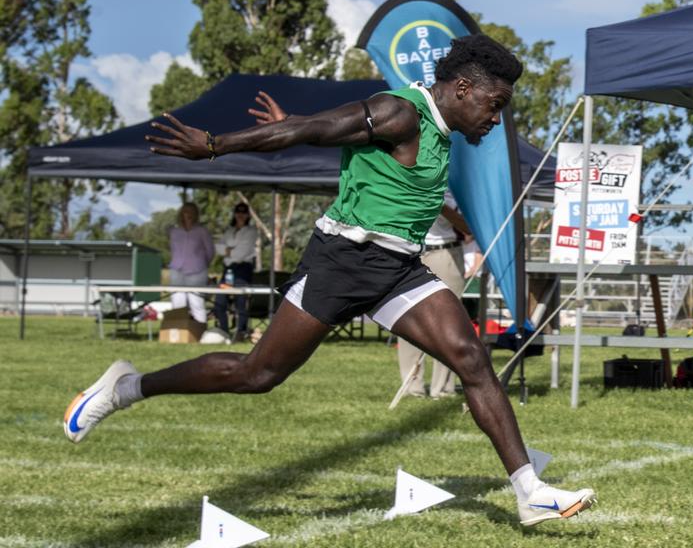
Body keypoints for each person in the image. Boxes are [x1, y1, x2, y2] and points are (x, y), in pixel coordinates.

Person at [63, 35, 596, 527]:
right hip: (342, 262)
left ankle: (530, 492)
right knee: (257, 375)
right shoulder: (401, 111)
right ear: (462, 88)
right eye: (493, 104)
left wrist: (298, 120)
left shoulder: (436, 127)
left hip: (397, 270)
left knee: (471, 358)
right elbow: (312, 131)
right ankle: (126, 387)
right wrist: (217, 144)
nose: (495, 118)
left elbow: (323, 126)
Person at [398, 189, 471, 399]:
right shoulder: (408, 178)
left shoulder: (458, 186)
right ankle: (411, 386)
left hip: (446, 252)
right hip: (411, 251)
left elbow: (468, 228)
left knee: (449, 322)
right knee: (408, 319)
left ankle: (444, 387)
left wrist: (438, 204)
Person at [212, 201, 259, 342]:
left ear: (248, 215)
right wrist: (229, 251)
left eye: (244, 212)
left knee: (241, 302)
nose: (240, 215)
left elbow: (241, 254)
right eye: (238, 212)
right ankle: (225, 331)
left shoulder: (251, 231)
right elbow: (217, 247)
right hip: (228, 270)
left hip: (243, 269)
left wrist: (227, 250)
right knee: (219, 302)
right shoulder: (229, 231)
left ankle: (241, 332)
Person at [168, 202, 214, 325]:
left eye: (190, 211)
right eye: (185, 211)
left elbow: (210, 251)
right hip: (177, 270)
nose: (187, 214)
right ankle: (178, 328)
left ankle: (199, 330)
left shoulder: (202, 231)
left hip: (197, 271)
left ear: (195, 214)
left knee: (196, 301)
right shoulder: (174, 232)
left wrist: (203, 263)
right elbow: (173, 250)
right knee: (177, 300)